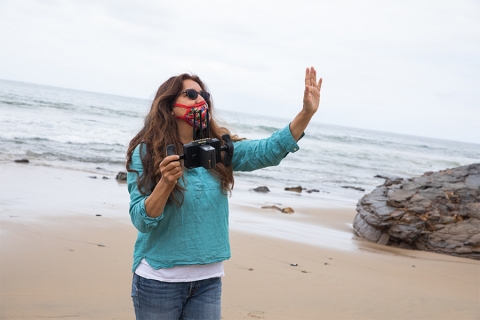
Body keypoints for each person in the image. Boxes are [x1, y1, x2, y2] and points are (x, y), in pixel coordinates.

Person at [126, 67, 322, 320]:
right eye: (191, 94)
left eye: (204, 95)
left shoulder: (218, 150)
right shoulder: (146, 153)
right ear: (169, 105)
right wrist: (165, 182)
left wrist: (306, 113)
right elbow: (141, 219)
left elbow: (269, 149)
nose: (201, 100)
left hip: (208, 280)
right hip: (159, 279)